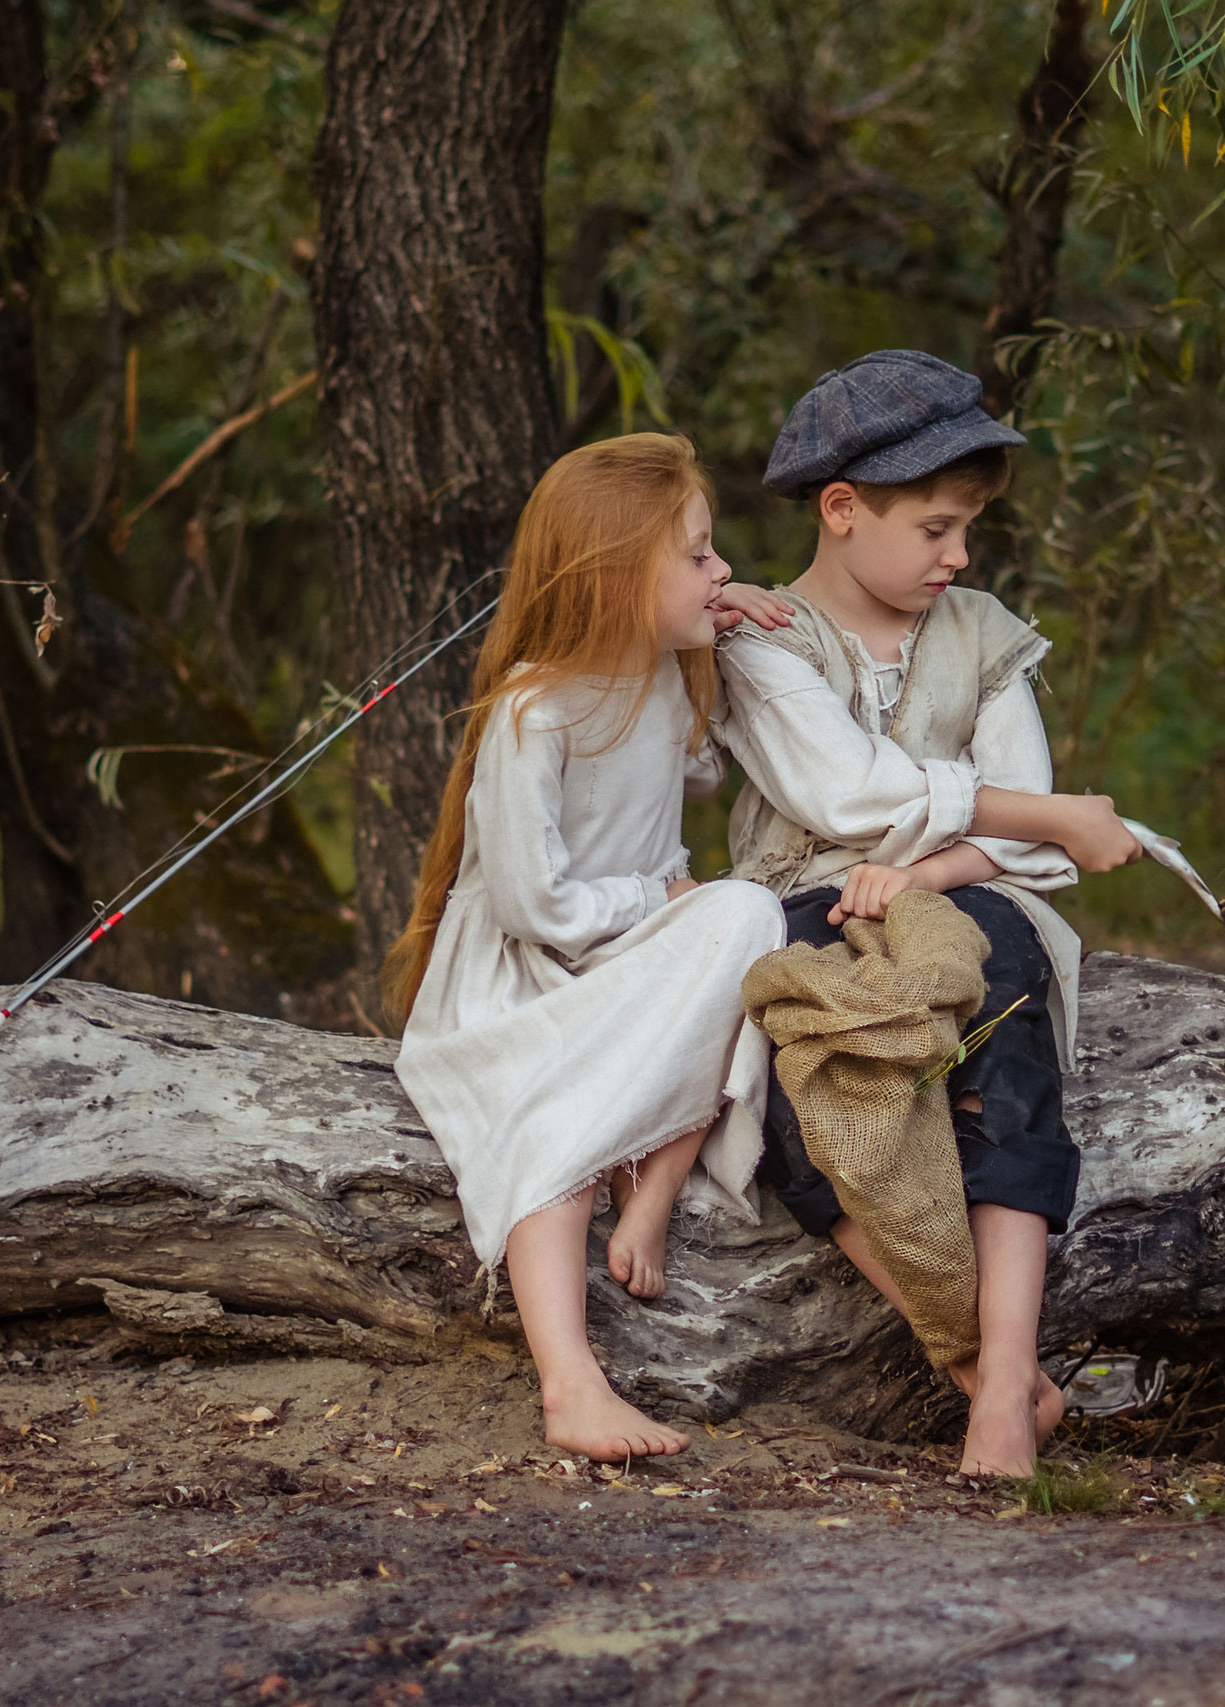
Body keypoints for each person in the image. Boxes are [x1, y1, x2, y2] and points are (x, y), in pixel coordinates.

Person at [710, 349, 1143, 1478]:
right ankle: (975, 1368)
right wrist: (1030, 818)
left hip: (971, 899)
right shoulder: (762, 640)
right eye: (936, 530)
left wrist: (934, 874)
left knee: (1001, 1066)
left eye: (967, 533)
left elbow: (1019, 838)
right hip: (805, 906)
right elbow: (847, 793)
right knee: (810, 1092)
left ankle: (1004, 1383)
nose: (958, 558)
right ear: (843, 510)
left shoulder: (983, 635)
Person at [388, 432, 785, 1464]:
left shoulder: (662, 675)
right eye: (697, 558)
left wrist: (727, 637)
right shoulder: (532, 708)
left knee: (750, 918)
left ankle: (647, 1195)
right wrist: (657, 893)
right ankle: (572, 1385)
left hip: (620, 951)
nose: (722, 572)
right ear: (616, 578)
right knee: (551, 1122)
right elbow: (534, 907)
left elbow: (689, 782)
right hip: (526, 968)